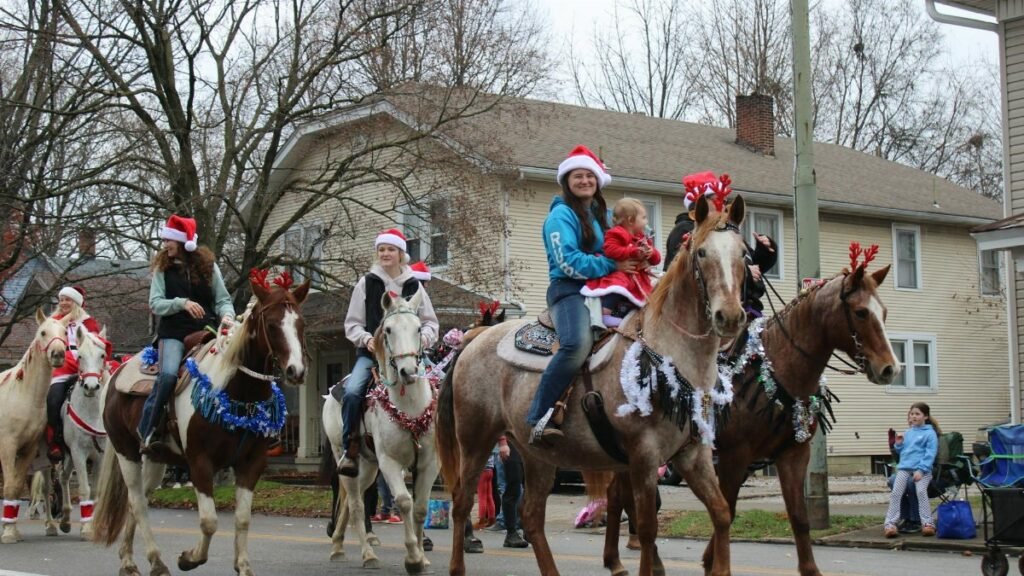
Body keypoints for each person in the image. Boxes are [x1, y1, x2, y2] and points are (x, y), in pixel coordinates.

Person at [530, 145, 637, 443]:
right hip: (570, 290)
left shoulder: (602, 216)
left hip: (606, 289)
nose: (584, 181)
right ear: (567, 180)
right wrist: (611, 264)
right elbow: (567, 261)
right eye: (578, 176)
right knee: (576, 345)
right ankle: (540, 415)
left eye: (590, 175)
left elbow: (622, 245)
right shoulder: (560, 216)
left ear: (598, 180)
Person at [337, 228, 439, 477]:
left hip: (411, 356)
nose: (385, 254)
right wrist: (367, 339)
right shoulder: (366, 283)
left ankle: (445, 442)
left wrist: (423, 340)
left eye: (390, 249)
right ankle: (350, 447)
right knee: (351, 393)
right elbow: (352, 323)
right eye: (381, 249)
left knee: (444, 386)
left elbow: (430, 322)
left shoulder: (414, 284)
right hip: (371, 356)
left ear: (401, 254)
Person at [139, 214, 235, 450]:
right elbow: (155, 303)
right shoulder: (163, 269)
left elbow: (222, 300)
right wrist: (181, 303)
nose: (165, 245)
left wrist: (228, 317)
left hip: (205, 331)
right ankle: (148, 430)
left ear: (182, 242)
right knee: (169, 375)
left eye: (168, 240)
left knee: (231, 368)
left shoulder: (209, 268)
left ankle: (237, 427)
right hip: (173, 333)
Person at [45, 285, 104, 462]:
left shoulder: (88, 322)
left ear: (76, 302)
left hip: (86, 365)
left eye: (67, 300)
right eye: (61, 299)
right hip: (62, 364)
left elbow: (96, 345)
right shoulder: (53, 321)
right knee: (54, 398)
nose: (63, 303)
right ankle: (55, 441)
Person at [580, 198, 661, 327]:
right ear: (630, 220)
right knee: (619, 284)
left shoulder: (642, 237)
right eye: (644, 217)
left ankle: (637, 316)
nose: (647, 221)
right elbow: (610, 250)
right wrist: (631, 251)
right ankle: (605, 313)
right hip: (621, 272)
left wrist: (651, 253)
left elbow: (656, 260)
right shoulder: (616, 233)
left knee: (649, 292)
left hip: (637, 275)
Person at [884, 402, 940, 538]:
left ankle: (927, 523)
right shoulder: (908, 432)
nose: (914, 416)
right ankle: (890, 524)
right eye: (912, 414)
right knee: (896, 493)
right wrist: (898, 444)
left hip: (922, 471)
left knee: (921, 492)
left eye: (917, 414)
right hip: (904, 469)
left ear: (925, 416)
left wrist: (921, 470)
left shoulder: (930, 433)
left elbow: (930, 454)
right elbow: (903, 451)